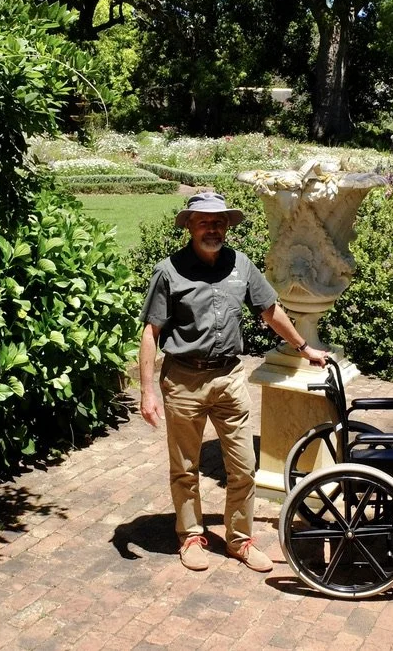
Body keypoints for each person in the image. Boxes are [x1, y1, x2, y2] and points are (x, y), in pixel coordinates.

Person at [138, 191, 329, 573]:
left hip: (229, 377)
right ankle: (190, 536)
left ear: (227, 226)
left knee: (243, 467)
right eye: (205, 221)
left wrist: (304, 347)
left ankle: (240, 541)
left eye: (219, 221)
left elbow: (271, 311)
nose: (213, 228)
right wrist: (147, 390)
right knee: (185, 467)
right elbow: (151, 331)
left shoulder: (240, 265)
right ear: (190, 226)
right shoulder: (169, 271)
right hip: (184, 381)